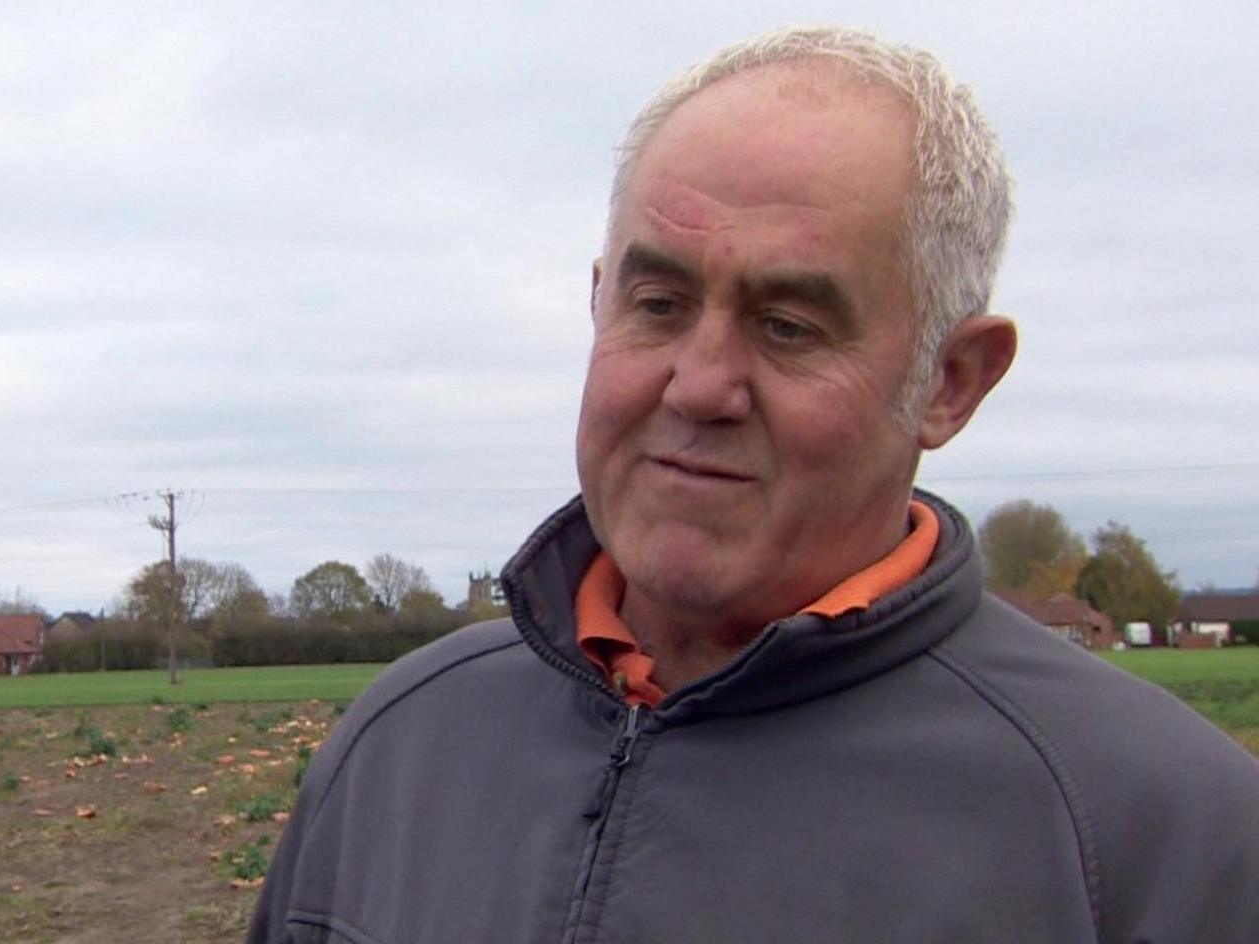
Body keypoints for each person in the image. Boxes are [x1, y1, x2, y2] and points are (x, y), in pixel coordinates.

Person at [248, 26, 1259, 943]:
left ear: (951, 382)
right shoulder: (401, 745)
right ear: (600, 303)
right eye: (658, 303)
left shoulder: (1149, 833)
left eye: (788, 325)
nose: (699, 385)